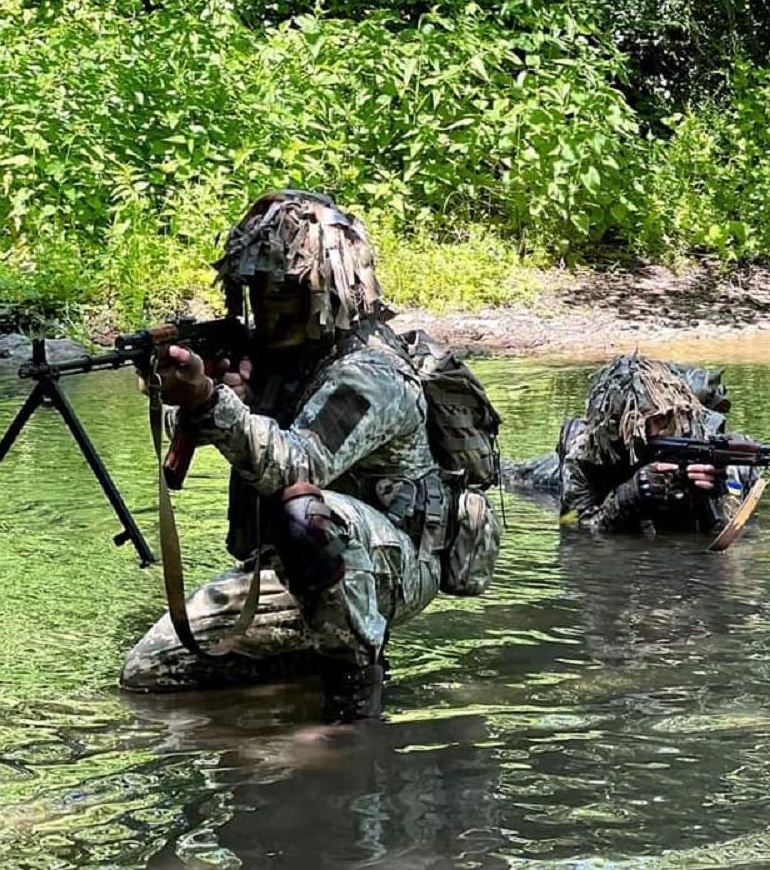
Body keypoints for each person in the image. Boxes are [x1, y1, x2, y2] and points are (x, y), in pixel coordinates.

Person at [120, 190, 501, 722]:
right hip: (299, 562)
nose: (267, 305)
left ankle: (354, 695)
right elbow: (225, 433)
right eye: (256, 289)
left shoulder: (370, 374)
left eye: (284, 290)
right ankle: (309, 660)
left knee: (304, 512)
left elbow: (297, 465)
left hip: (393, 561)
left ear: (327, 288)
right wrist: (208, 395)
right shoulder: (284, 360)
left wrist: (210, 399)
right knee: (148, 671)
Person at [508, 353, 758, 535]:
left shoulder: (698, 438)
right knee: (518, 476)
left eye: (665, 420)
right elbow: (573, 527)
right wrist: (628, 496)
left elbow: (731, 528)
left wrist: (711, 494)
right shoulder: (587, 449)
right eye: (646, 423)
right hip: (563, 475)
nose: (659, 431)